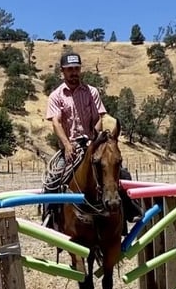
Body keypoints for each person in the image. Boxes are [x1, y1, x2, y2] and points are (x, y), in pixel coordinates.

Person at [43, 52, 142, 227]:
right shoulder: (56, 96)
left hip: (92, 143)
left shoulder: (92, 92)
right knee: (52, 180)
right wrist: (67, 145)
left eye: (76, 69)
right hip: (70, 146)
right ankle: (50, 219)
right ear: (63, 71)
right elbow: (56, 122)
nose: (73, 72)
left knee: (120, 171)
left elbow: (99, 118)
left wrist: (94, 140)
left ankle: (129, 210)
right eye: (69, 69)